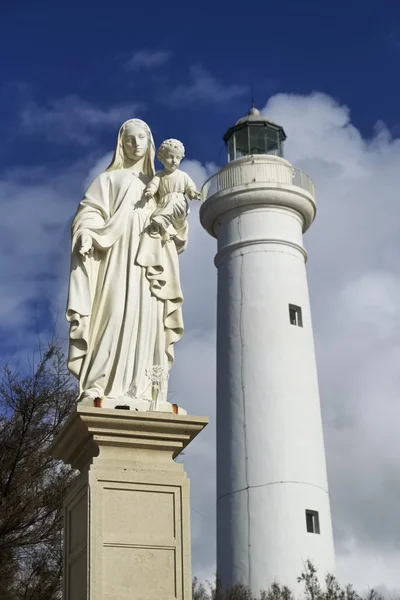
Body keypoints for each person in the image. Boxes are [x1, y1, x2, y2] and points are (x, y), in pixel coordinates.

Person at [66, 119, 189, 407]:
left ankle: (148, 391)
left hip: (150, 260)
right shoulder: (107, 180)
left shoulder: (159, 182)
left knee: (148, 319)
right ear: (121, 144)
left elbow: (177, 227)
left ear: (150, 142)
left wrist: (178, 216)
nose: (135, 144)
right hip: (116, 257)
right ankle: (100, 384)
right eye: (129, 139)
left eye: (141, 139)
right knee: (113, 311)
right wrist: (86, 233)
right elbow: (90, 212)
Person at [144, 138, 201, 242]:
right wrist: (150, 191)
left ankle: (160, 220)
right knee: (162, 212)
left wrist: (193, 193)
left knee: (169, 207)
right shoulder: (159, 176)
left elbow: (190, 187)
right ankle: (166, 232)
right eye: (170, 157)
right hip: (163, 203)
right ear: (161, 158)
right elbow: (153, 185)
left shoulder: (183, 175)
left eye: (178, 158)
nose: (174, 161)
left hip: (178, 202)